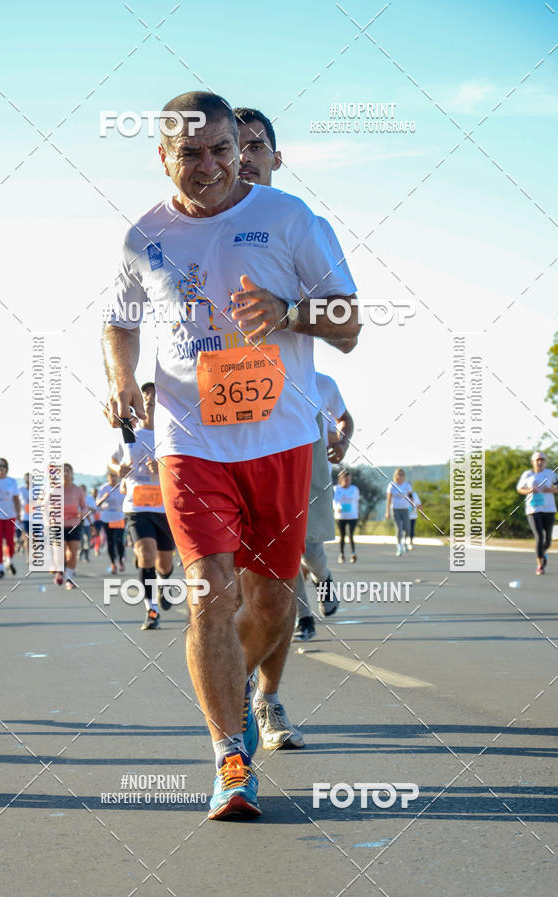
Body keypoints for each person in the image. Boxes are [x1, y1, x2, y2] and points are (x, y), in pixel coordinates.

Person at [103, 91, 359, 820]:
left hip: (280, 441)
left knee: (272, 601)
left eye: (222, 149)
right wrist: (122, 380)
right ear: (163, 157)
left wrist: (287, 313)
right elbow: (118, 322)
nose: (210, 165)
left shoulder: (288, 220)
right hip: (191, 443)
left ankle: (242, 693)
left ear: (238, 149)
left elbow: (349, 321)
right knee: (210, 594)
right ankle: (230, 759)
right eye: (191, 153)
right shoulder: (142, 235)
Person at [234, 108, 356, 731]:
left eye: (259, 146)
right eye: (237, 145)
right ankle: (228, 703)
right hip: (208, 434)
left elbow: (348, 324)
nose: (246, 157)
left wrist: (285, 313)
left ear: (277, 159)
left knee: (277, 577)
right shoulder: (188, 225)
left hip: (290, 431)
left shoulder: (300, 224)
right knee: (227, 582)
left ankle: (264, 696)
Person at [294, 371, 354, 643]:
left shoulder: (323, 383)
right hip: (273, 474)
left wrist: (341, 442)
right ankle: (302, 618)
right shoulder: (263, 374)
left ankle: (325, 579)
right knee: (284, 550)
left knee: (311, 549)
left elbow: (344, 419)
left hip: (314, 476)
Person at [110, 382, 175, 630]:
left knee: (164, 564)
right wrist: (119, 469)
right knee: (145, 554)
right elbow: (113, 460)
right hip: (137, 507)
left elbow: (185, 470)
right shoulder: (130, 433)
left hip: (165, 508)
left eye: (154, 395)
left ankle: (164, 584)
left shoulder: (171, 435)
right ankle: (151, 610)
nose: (149, 398)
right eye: (145, 394)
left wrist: (163, 469)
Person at [517, 451, 557, 575]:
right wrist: (529, 490)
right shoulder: (527, 474)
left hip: (549, 509)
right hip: (533, 509)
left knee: (548, 541)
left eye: (542, 460)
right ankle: (540, 565)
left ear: (545, 462)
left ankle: (542, 553)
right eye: (537, 460)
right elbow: (519, 488)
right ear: (533, 462)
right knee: (539, 536)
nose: (540, 462)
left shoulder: (550, 474)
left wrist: (550, 489)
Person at [56, 463, 87, 590]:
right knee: (61, 552)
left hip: (74, 524)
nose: (65, 473)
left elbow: (84, 507)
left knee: (73, 553)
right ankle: (60, 570)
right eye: (62, 471)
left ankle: (69, 578)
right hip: (58, 525)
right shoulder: (55, 490)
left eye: (67, 471)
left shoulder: (78, 490)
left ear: (72, 474)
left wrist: (82, 513)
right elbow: (45, 507)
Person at [96, 471, 126, 575]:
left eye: (115, 476)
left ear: (118, 477)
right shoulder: (104, 488)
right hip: (107, 518)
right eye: (111, 476)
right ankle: (113, 563)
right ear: (108, 478)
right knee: (110, 542)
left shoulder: (122, 487)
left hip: (119, 517)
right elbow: (97, 504)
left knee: (118, 540)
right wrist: (103, 498)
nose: (113, 478)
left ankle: (120, 561)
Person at [333, 470, 360, 563]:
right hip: (340, 516)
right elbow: (334, 501)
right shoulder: (336, 489)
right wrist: (337, 507)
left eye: (348, 479)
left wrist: (357, 513)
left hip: (352, 516)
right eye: (345, 478)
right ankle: (342, 554)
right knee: (342, 535)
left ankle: (353, 553)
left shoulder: (354, 489)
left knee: (350, 534)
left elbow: (357, 501)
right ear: (341, 479)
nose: (346, 481)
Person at [385, 468, 413, 556]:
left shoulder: (407, 485)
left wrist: (412, 506)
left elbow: (410, 496)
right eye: (399, 474)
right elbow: (389, 499)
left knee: (407, 528)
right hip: (395, 509)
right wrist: (387, 512)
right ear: (396, 475)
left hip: (405, 509)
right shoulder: (392, 485)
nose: (401, 476)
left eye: (402, 474)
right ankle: (399, 546)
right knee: (399, 529)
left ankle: (404, 542)